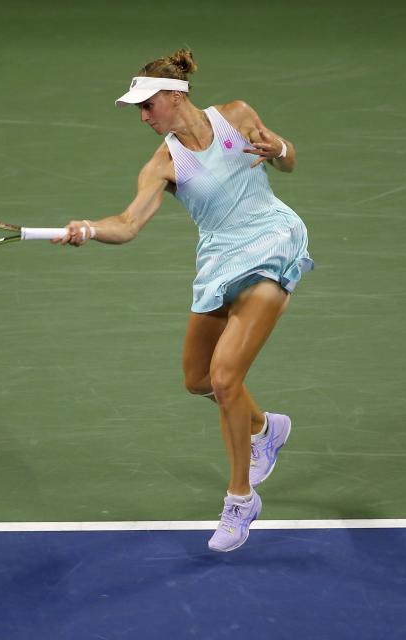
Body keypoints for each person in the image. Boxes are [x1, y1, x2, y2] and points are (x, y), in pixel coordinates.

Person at [54, 48, 313, 552]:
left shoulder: (237, 115)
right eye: (139, 109)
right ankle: (265, 428)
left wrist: (278, 147)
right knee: (197, 379)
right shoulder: (163, 163)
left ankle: (241, 500)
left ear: (175, 96)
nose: (143, 116)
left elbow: (289, 162)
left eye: (148, 106)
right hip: (220, 260)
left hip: (273, 242)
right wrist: (87, 227)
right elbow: (127, 225)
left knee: (225, 376)